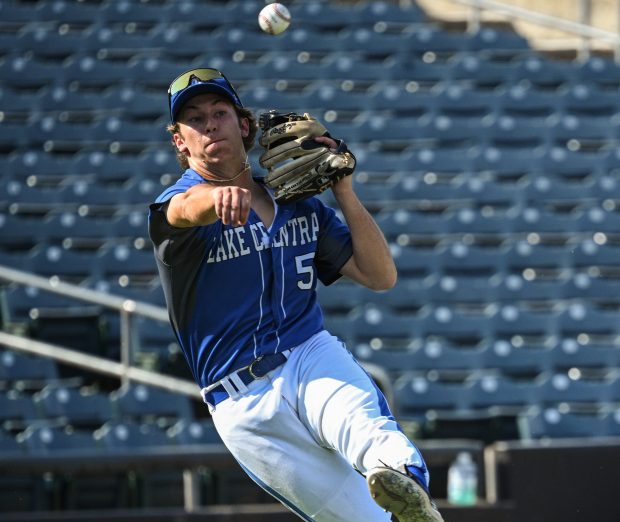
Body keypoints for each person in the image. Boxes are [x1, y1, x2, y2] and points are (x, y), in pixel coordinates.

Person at [148, 67, 444, 522]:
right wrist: (215, 199)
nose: (209, 124)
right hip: (241, 400)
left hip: (308, 353)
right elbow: (185, 211)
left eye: (219, 112)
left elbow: (380, 275)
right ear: (180, 143)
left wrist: (343, 188)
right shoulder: (178, 205)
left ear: (243, 125)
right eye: (194, 119)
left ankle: (404, 476)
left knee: (367, 429)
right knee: (366, 520)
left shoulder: (297, 203)